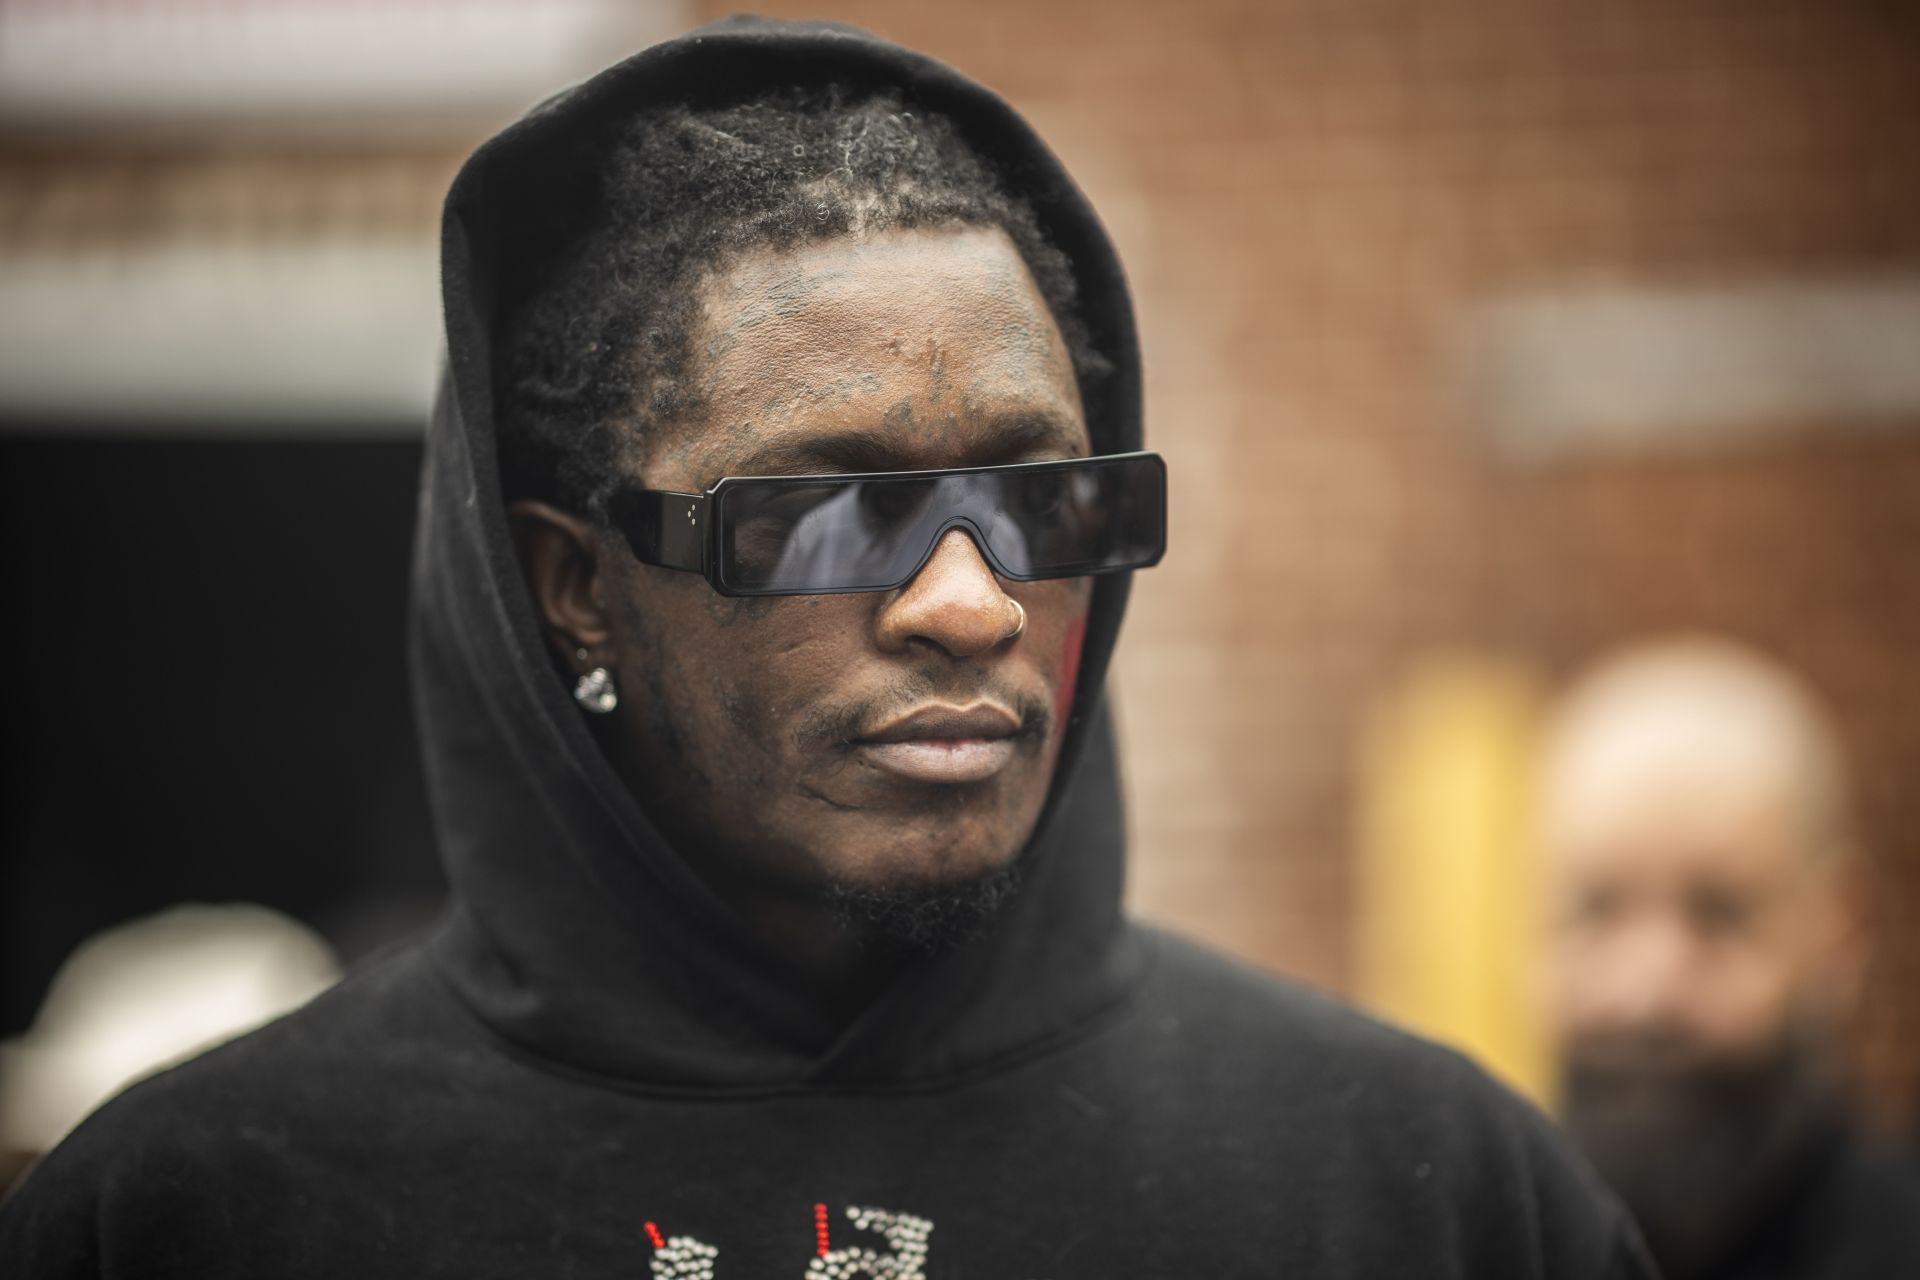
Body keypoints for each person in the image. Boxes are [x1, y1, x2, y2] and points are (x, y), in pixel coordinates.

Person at [1, 18, 1650, 1277]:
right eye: (828, 509)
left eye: (1039, 496)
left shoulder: (1420, 1192)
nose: (970, 601)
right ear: (574, 586)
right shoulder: (204, 1214)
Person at [1539, 635, 1920, 1279]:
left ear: (1841, 936)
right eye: (1596, 910)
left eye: (1720, 914)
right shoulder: (1479, 1248)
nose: (1645, 994)